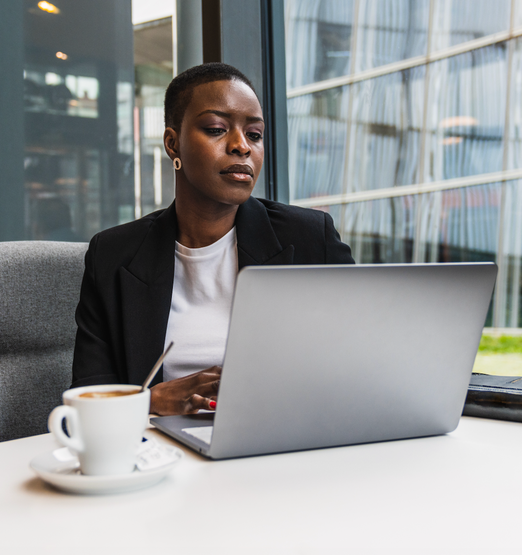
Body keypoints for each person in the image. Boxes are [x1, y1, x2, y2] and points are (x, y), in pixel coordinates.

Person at [70, 63, 354, 415]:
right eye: (217, 129)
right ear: (173, 144)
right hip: (163, 453)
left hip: (286, 440)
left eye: (254, 134)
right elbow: (86, 398)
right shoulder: (113, 255)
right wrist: (153, 402)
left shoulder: (310, 238)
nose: (241, 146)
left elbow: (360, 361)